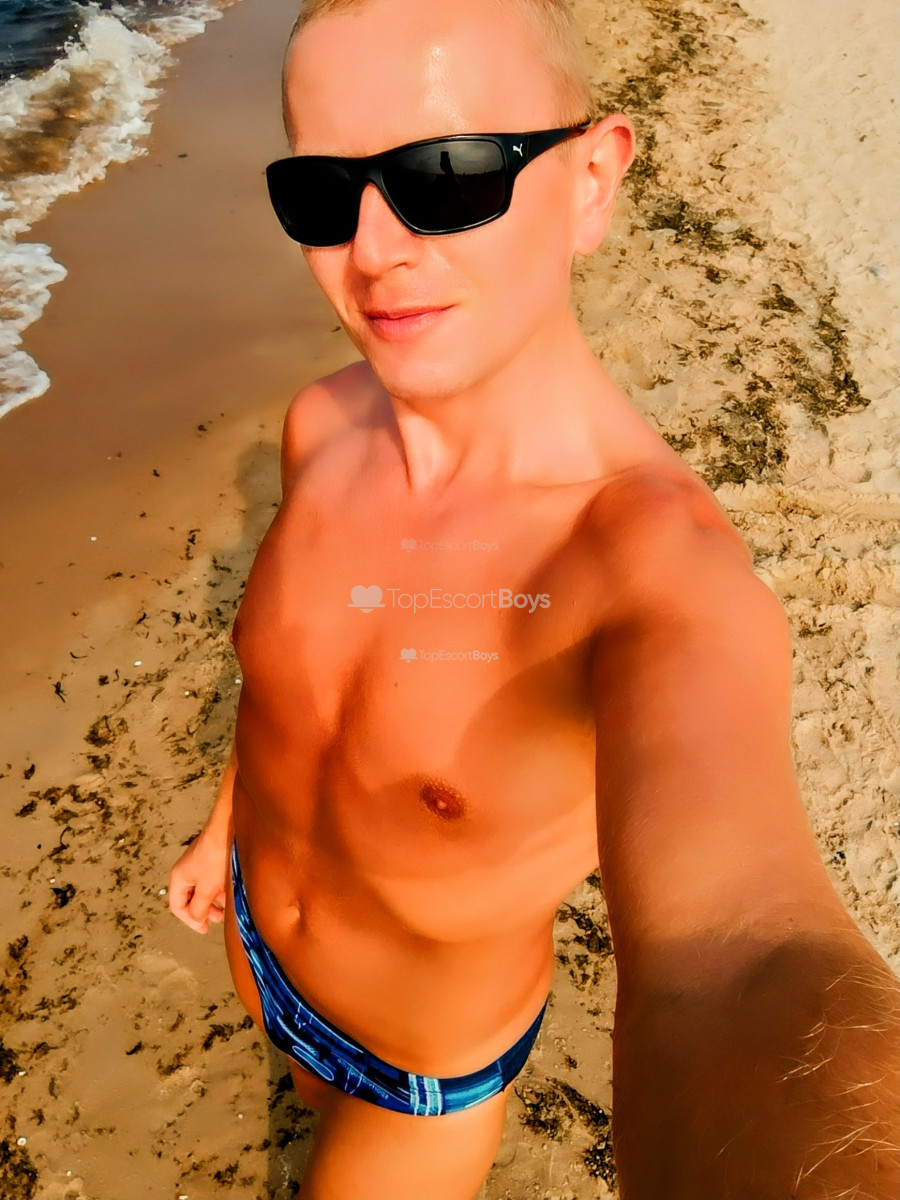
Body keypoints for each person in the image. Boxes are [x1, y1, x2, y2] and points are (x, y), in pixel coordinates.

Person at [169, 0, 900, 1196]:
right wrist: (225, 826)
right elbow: (284, 696)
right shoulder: (323, 425)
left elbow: (742, 958)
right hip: (258, 943)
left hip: (415, 1078)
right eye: (323, 192)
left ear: (592, 180)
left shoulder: (643, 569)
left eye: (446, 176)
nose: (374, 249)